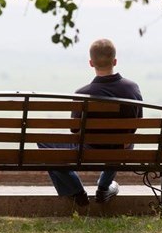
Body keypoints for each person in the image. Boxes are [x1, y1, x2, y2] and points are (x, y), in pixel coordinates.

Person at [38, 38, 143, 206]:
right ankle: (103, 188)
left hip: (87, 150)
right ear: (115, 61)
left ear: (91, 63)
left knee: (44, 143)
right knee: (123, 141)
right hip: (120, 150)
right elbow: (136, 125)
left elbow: (74, 131)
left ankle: (77, 192)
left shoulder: (82, 94)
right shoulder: (132, 88)